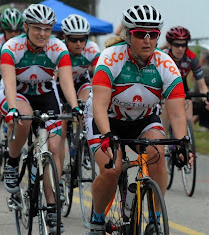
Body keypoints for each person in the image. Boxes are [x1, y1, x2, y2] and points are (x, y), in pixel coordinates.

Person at [84, 5, 193, 235]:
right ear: (128, 35)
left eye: (153, 34)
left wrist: (183, 142)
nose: (147, 40)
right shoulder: (110, 58)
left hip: (143, 118)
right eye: (140, 34)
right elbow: (100, 105)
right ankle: (97, 217)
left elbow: (176, 113)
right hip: (106, 118)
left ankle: (154, 218)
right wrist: (106, 135)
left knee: (157, 155)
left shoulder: (166, 65)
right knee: (112, 169)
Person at [0, 4, 82, 233]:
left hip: (45, 93)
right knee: (22, 120)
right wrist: (13, 109)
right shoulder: (11, 46)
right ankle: (13, 162)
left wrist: (74, 107)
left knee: (54, 148)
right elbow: (9, 83)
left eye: (47, 28)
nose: (43, 33)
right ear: (26, 27)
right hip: (18, 92)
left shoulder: (58, 47)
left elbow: (65, 82)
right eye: (37, 28)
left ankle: (52, 206)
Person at [58, 14, 100, 173]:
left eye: (82, 39)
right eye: (74, 39)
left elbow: (100, 75)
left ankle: (84, 143)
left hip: (81, 82)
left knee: (88, 108)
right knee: (61, 128)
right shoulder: (58, 49)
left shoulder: (92, 49)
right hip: (60, 85)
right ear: (65, 37)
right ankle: (59, 172)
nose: (79, 43)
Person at [0, 8, 23, 175]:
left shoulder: (24, 41)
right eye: (10, 31)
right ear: (3, 29)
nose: (13, 34)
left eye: (17, 30)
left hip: (18, 77)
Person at [160, 26, 209, 133]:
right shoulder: (162, 56)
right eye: (177, 45)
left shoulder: (191, 58)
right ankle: (163, 145)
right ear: (169, 45)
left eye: (183, 45)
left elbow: (202, 86)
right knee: (164, 120)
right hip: (163, 87)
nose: (180, 49)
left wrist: (207, 99)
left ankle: (186, 146)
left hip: (182, 87)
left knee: (189, 119)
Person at [192, 49, 209, 129]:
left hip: (197, 99)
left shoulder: (203, 69)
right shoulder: (205, 69)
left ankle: (188, 129)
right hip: (202, 99)